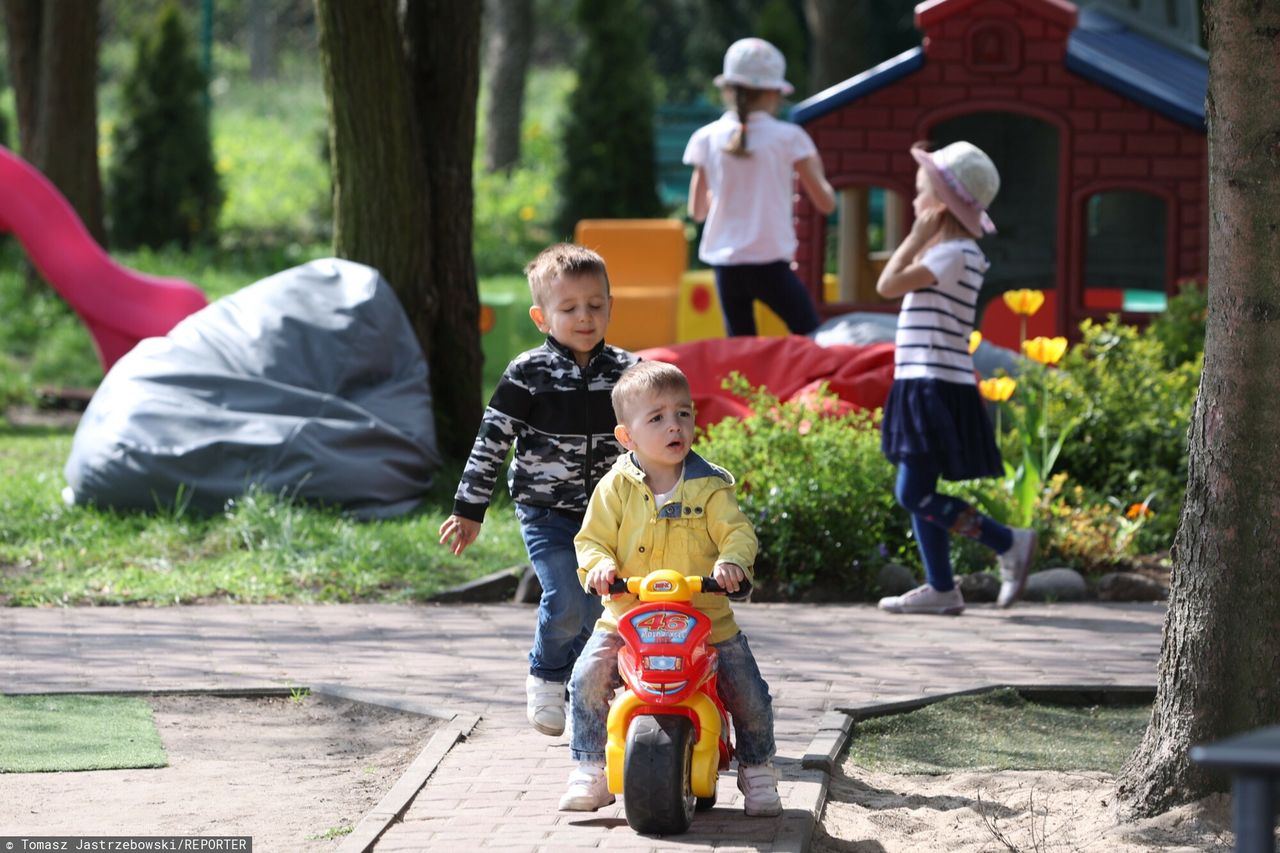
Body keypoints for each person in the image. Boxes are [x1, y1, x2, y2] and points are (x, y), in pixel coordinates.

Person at [558, 361, 782, 817]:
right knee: (586, 678)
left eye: (683, 413)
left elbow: (737, 532)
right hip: (627, 617)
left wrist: (731, 562)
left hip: (705, 620)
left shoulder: (710, 486)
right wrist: (600, 566)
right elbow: (591, 540)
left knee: (749, 693)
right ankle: (591, 768)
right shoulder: (615, 488)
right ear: (628, 437)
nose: (674, 425)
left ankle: (757, 767)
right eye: (656, 417)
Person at [439, 243, 639, 736]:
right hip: (547, 512)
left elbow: (658, 439)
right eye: (569, 308)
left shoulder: (630, 372)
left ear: (611, 306)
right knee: (567, 598)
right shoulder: (528, 375)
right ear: (541, 317)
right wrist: (469, 508)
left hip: (611, 517)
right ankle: (545, 677)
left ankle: (580, 690)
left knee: (598, 610)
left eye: (595, 305)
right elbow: (492, 443)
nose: (585, 317)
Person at [874, 140, 1037, 616]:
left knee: (913, 492)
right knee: (918, 488)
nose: (914, 200)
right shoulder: (953, 252)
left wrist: (911, 238)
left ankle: (1008, 542)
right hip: (924, 380)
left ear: (941, 204)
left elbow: (886, 285)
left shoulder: (952, 255)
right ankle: (942, 588)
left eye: (921, 192)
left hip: (932, 383)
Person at [683, 36, 836, 337]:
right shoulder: (789, 137)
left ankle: (746, 387)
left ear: (727, 89)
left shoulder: (707, 138)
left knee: (741, 347)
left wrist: (723, 193)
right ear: (773, 92)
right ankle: (815, 385)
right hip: (770, 262)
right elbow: (826, 203)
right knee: (810, 335)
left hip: (727, 266)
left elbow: (697, 212)